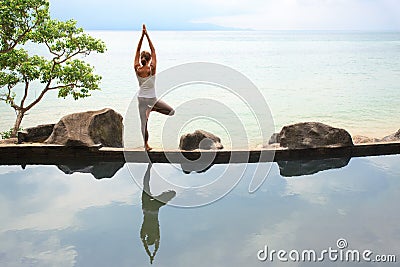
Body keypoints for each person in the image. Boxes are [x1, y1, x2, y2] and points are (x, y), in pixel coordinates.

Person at [134, 24, 175, 151]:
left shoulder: (137, 68)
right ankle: (153, 109)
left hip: (141, 99)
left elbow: (137, 50)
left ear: (141, 59)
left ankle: (146, 145)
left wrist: (141, 37)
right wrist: (146, 34)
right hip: (152, 99)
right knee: (171, 111)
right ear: (150, 59)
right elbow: (154, 50)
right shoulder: (152, 68)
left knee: (143, 124)